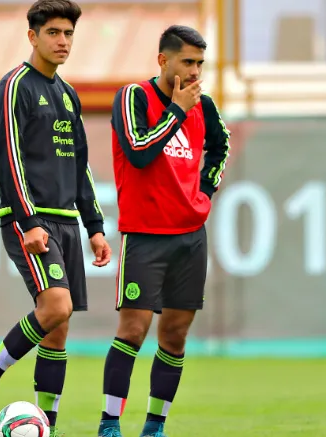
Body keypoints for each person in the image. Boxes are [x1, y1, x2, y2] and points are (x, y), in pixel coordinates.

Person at [0, 0, 111, 433]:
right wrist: (28, 219)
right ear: (32, 36)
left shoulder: (68, 94)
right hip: (31, 218)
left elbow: (81, 165)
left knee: (58, 329)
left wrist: (96, 227)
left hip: (67, 221)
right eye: (53, 32)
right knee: (56, 306)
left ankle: (45, 424)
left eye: (68, 33)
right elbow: (8, 156)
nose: (63, 41)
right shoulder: (15, 86)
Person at [97, 25, 232, 437]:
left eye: (199, 64)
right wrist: (175, 110)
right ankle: (109, 424)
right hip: (145, 235)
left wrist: (204, 193)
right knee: (133, 331)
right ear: (163, 60)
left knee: (174, 334)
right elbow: (138, 152)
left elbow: (220, 145)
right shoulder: (133, 97)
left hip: (190, 236)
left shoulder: (203, 106)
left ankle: (155, 426)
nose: (194, 72)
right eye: (187, 62)